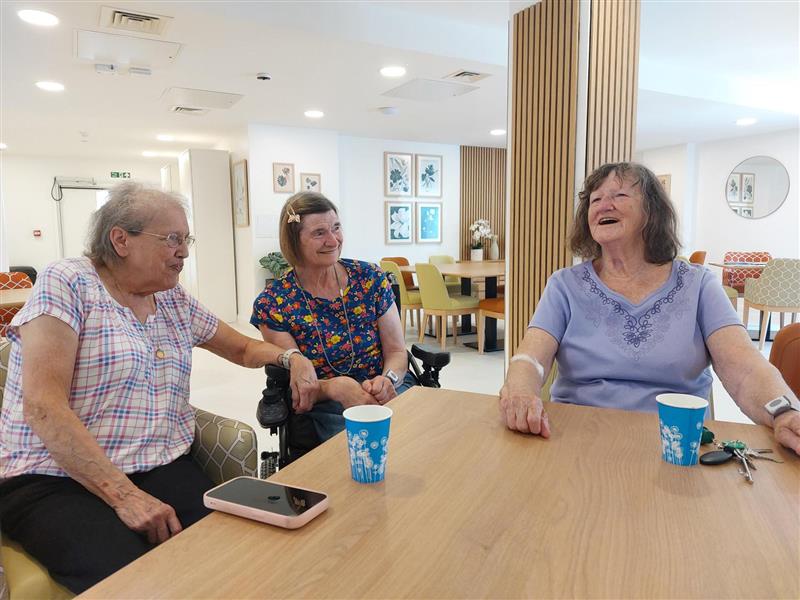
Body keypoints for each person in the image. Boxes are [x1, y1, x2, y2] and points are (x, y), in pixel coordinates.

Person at [0, 182, 309, 593]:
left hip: (155, 462)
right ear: (121, 240)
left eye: (186, 240)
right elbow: (43, 406)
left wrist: (290, 359)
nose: (184, 252)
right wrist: (124, 496)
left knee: (230, 550)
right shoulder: (68, 282)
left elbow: (242, 348)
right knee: (136, 580)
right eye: (172, 239)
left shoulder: (171, 298)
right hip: (53, 476)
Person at [499, 162, 800, 456]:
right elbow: (530, 358)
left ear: (651, 212)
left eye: (619, 195)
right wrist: (521, 391)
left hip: (674, 444)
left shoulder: (698, 284)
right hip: (577, 439)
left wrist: (784, 412)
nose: (604, 206)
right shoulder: (565, 284)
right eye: (595, 200)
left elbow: (745, 368)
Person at [251, 192, 411, 443]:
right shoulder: (274, 303)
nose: (333, 240)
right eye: (319, 233)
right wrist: (337, 387)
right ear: (294, 241)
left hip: (387, 388)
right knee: (365, 445)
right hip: (328, 403)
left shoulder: (370, 278)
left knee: (423, 434)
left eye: (336, 227)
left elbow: (397, 352)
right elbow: (301, 382)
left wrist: (388, 380)